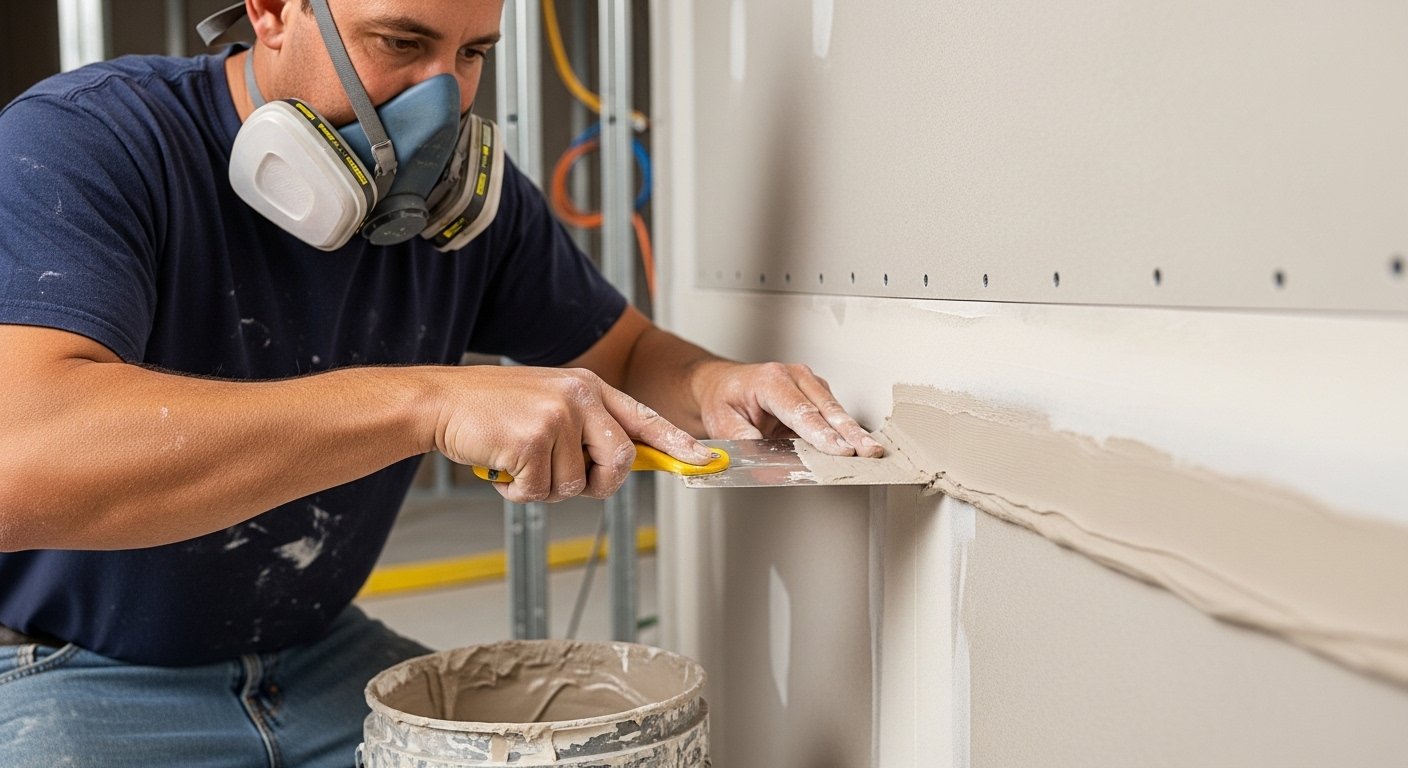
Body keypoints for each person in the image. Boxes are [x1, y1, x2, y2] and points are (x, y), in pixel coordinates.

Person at [0, 0, 882, 764]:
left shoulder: (464, 211)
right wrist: (429, 401)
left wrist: (714, 382)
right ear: (270, 11)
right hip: (58, 668)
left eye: (472, 54)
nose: (442, 101)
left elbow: (623, 354)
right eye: (400, 42)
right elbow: (21, 457)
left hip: (314, 653)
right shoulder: (88, 143)